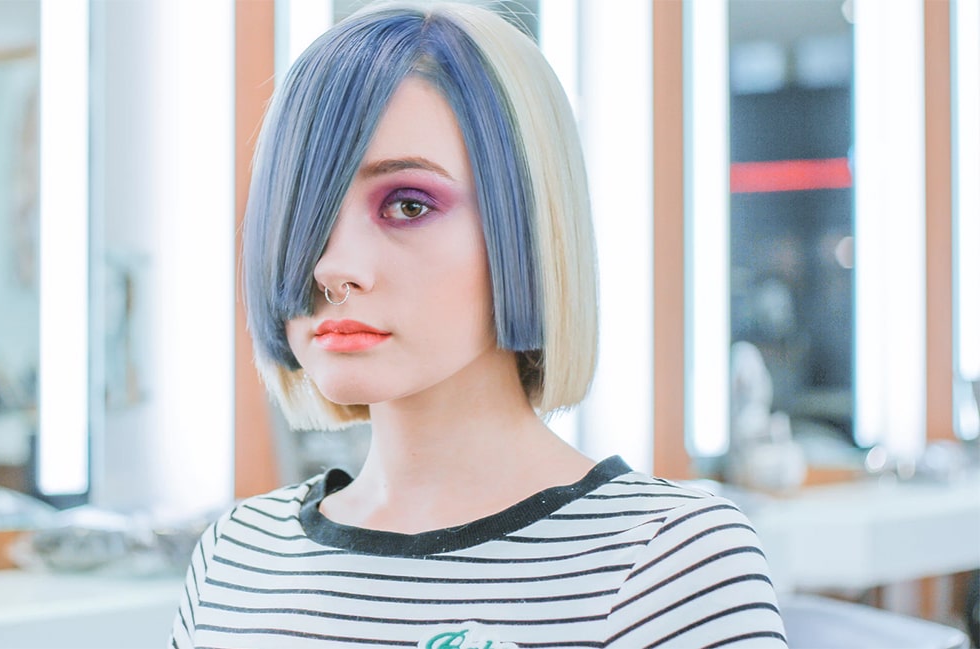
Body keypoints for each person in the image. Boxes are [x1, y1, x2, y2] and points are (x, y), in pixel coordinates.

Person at [172, 2, 787, 647]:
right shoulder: (233, 558)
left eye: (408, 205)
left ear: (528, 226)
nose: (332, 267)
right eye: (305, 211)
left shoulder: (667, 562)